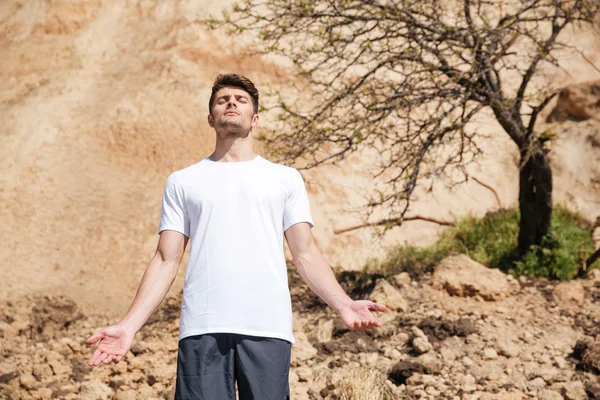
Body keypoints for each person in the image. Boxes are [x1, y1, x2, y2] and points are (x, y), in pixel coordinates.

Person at [85, 73, 387, 399]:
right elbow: (165, 260)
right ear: (211, 119)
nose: (231, 102)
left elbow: (305, 253)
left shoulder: (284, 179)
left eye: (240, 99)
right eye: (222, 100)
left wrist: (342, 304)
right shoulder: (183, 182)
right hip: (203, 328)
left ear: (254, 119)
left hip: (267, 328)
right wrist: (129, 326)